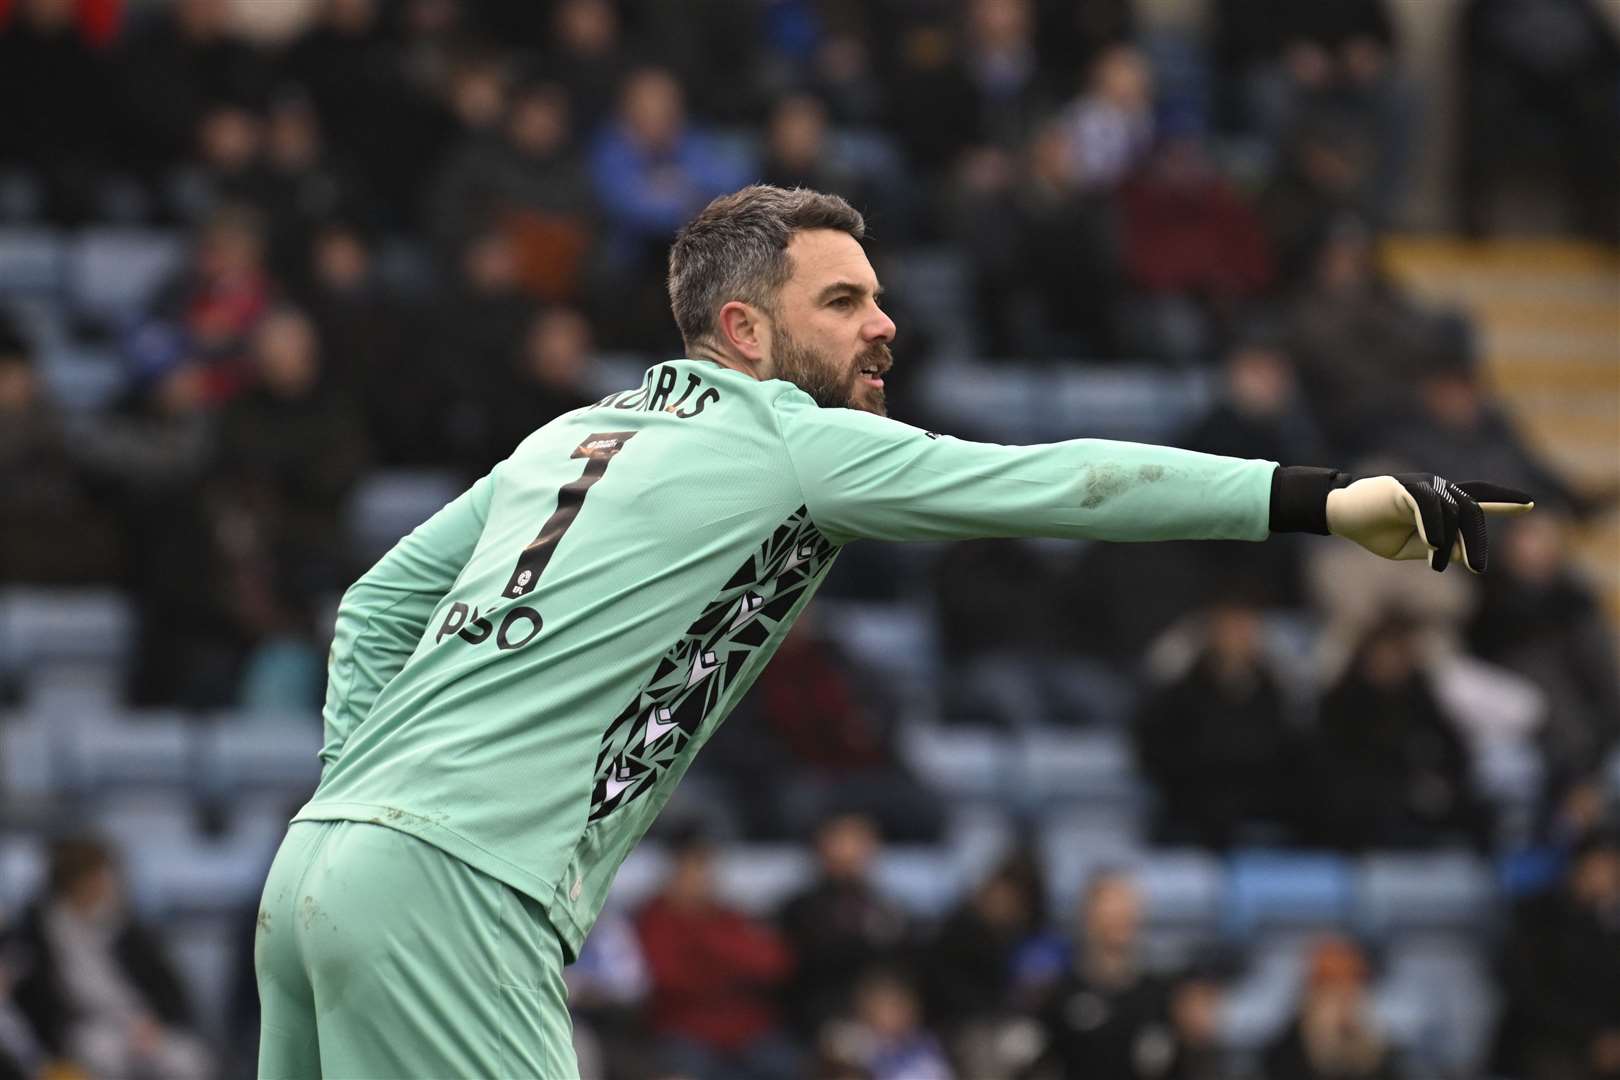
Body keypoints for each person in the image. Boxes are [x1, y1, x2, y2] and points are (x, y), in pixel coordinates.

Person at [254, 184, 1531, 1075]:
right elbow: (1061, 481)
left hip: (316, 871)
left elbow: (373, 610)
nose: (885, 323)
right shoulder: (788, 441)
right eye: (845, 300)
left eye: (879, 296)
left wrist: (361, 811)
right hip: (457, 893)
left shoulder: (569, 435)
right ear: (745, 332)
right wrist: (1322, 500)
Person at [4, 837, 213, 1080]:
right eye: (96, 879)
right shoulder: (40, 933)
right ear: (74, 881)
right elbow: (38, 1001)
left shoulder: (125, 927)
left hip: (143, 1023)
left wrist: (156, 1021)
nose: (105, 886)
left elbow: (167, 986)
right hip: (85, 1028)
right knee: (101, 1054)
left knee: (188, 1060)